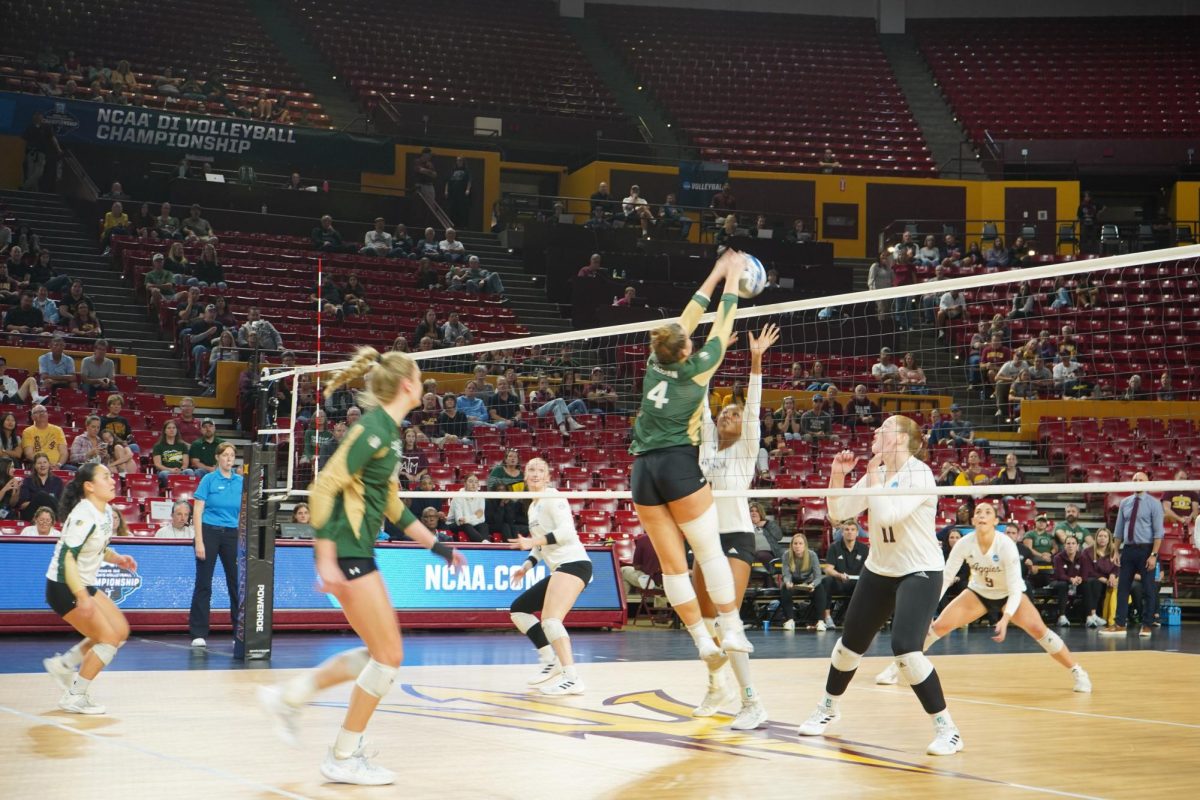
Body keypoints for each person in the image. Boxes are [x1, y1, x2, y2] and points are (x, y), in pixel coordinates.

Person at [257, 347, 464, 785]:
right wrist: (326, 559)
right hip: (348, 552)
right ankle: (342, 755)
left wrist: (439, 547)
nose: (425, 380)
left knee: (377, 653)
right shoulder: (371, 429)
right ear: (407, 384)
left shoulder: (389, 432)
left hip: (358, 552)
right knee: (389, 657)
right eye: (420, 374)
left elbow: (391, 505)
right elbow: (324, 487)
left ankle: (291, 697)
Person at [799, 415, 962, 756]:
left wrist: (873, 476)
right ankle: (828, 707)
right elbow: (838, 512)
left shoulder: (920, 474)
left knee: (906, 648)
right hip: (880, 568)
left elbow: (887, 516)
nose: (875, 432)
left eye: (884, 429)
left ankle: (947, 729)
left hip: (920, 570)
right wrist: (838, 475)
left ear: (901, 439)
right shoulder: (880, 472)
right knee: (848, 646)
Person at [629, 250, 754, 670]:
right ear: (685, 349)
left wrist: (713, 271)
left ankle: (702, 640)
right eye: (689, 340)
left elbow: (688, 317)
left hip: (642, 470)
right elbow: (723, 320)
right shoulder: (697, 369)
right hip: (678, 465)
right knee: (710, 552)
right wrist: (732, 276)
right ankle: (731, 627)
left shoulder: (653, 362)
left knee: (672, 566)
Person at [876, 503, 1090, 693]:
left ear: (995, 521)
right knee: (937, 627)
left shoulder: (1006, 545)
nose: (982, 515)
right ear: (973, 520)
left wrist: (1006, 618)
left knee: (1039, 631)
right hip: (978, 593)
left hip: (1009, 595)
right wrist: (930, 608)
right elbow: (946, 577)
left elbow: (1016, 588)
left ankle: (1078, 671)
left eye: (988, 512)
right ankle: (896, 668)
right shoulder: (964, 543)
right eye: (978, 512)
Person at [691, 324, 779, 730]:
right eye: (726, 411)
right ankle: (716, 686)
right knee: (705, 627)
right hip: (704, 536)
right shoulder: (708, 441)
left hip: (737, 537)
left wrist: (756, 360)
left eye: (735, 413)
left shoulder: (746, 448)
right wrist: (713, 356)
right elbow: (700, 399)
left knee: (729, 622)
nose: (729, 414)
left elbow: (755, 403)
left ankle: (751, 701)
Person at [39, 464, 132, 714]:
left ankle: (63, 664)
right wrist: (81, 595)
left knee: (120, 631)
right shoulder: (84, 516)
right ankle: (75, 695)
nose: (112, 481)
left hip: (84, 583)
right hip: (64, 586)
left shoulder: (105, 511)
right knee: (109, 640)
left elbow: (98, 549)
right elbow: (68, 558)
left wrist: (117, 558)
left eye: (112, 476)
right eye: (105, 477)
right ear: (89, 486)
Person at [508, 458, 592, 695]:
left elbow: (566, 533)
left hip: (575, 564)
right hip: (560, 567)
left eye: (541, 470)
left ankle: (572, 677)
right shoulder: (533, 506)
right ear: (524, 476)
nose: (535, 473)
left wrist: (533, 541)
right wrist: (526, 566)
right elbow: (541, 545)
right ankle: (549, 661)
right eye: (531, 469)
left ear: (548, 476)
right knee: (519, 609)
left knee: (551, 620)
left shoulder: (553, 497)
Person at [1100, 472, 1164, 637]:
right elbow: (1119, 529)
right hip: (1128, 549)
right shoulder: (1125, 503)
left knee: (1149, 589)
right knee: (1122, 588)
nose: (1137, 482)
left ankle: (1147, 624)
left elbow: (1158, 533)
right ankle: (1120, 624)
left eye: (1140, 480)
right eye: (1135, 480)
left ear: (1147, 483)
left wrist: (1154, 555)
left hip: (1146, 550)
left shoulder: (1155, 504)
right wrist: (1115, 550)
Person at [821, 519, 869, 623]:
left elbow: (869, 568)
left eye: (852, 529)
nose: (850, 532)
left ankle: (868, 619)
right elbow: (828, 569)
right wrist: (839, 575)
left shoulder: (864, 549)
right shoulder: (834, 547)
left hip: (857, 584)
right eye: (847, 529)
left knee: (872, 584)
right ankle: (827, 617)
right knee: (826, 581)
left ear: (857, 533)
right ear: (842, 532)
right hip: (840, 582)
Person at [779, 533, 829, 632]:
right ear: (792, 545)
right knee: (784, 588)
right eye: (795, 543)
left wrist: (813, 584)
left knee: (820, 588)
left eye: (800, 543)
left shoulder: (812, 555)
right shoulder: (786, 555)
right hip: (793, 584)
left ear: (805, 545)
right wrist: (788, 582)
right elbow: (786, 574)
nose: (797, 546)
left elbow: (818, 576)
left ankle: (820, 621)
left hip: (808, 583)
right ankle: (790, 620)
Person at [486, 449, 528, 540]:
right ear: (505, 459)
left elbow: (525, 491)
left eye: (515, 457)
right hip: (499, 504)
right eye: (510, 456)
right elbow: (490, 487)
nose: (512, 458)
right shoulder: (498, 470)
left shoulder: (522, 474)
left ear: (518, 460)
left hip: (516, 506)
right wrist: (502, 497)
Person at [1081, 528, 1118, 628]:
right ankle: (1092, 615)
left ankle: (1095, 616)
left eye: (1105, 536)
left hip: (1108, 581)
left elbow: (1117, 567)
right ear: (1096, 538)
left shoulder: (1114, 552)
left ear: (1109, 539)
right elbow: (1088, 570)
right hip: (1091, 579)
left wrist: (1112, 575)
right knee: (1093, 582)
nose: (1102, 539)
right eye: (1100, 536)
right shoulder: (1087, 552)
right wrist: (1102, 578)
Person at [448, 474, 488, 542]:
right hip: (453, 524)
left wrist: (466, 519)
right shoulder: (458, 496)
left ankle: (485, 547)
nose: (473, 484)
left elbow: (481, 518)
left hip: (470, 522)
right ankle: (484, 543)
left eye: (476, 482)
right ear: (464, 483)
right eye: (470, 481)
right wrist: (475, 517)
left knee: (484, 525)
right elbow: (459, 521)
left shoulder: (481, 496)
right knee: (466, 525)